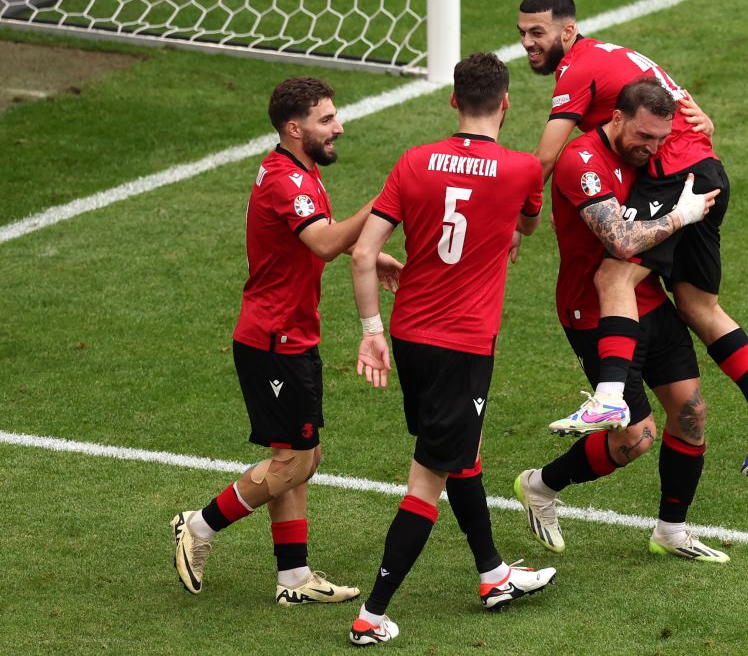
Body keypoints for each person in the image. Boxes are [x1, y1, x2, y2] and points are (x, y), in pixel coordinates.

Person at [517, 0, 748, 475]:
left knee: (614, 275)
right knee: (695, 304)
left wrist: (522, 218)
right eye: (521, 33)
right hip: (707, 171)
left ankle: (608, 396)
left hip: (677, 178)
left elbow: (545, 156)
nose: (526, 43)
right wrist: (703, 127)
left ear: (568, 31)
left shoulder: (578, 68)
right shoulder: (617, 55)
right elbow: (684, 111)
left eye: (537, 33)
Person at [346, 52, 555, 647]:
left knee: (462, 450)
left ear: (453, 101)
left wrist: (371, 330)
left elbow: (364, 254)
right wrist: (507, 229)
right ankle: (372, 614)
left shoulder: (413, 161)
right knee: (428, 476)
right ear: (507, 102)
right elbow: (529, 226)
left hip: (411, 336)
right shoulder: (520, 172)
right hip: (463, 346)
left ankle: (492, 575)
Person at [171, 77, 402, 605]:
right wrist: (385, 204)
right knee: (295, 461)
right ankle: (199, 525)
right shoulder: (288, 181)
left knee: (299, 456)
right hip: (273, 339)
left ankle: (293, 579)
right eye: (326, 119)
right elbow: (321, 241)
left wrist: (365, 253)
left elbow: (312, 235)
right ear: (295, 128)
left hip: (288, 333)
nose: (338, 126)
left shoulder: (298, 170)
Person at [515, 78, 730, 563]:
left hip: (646, 296)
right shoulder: (581, 162)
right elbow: (622, 241)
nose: (652, 149)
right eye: (643, 138)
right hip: (593, 310)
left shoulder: (652, 141)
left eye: (660, 139)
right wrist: (683, 216)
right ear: (616, 119)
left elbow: (692, 144)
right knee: (636, 437)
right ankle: (541, 486)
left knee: (691, 414)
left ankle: (672, 531)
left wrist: (706, 128)